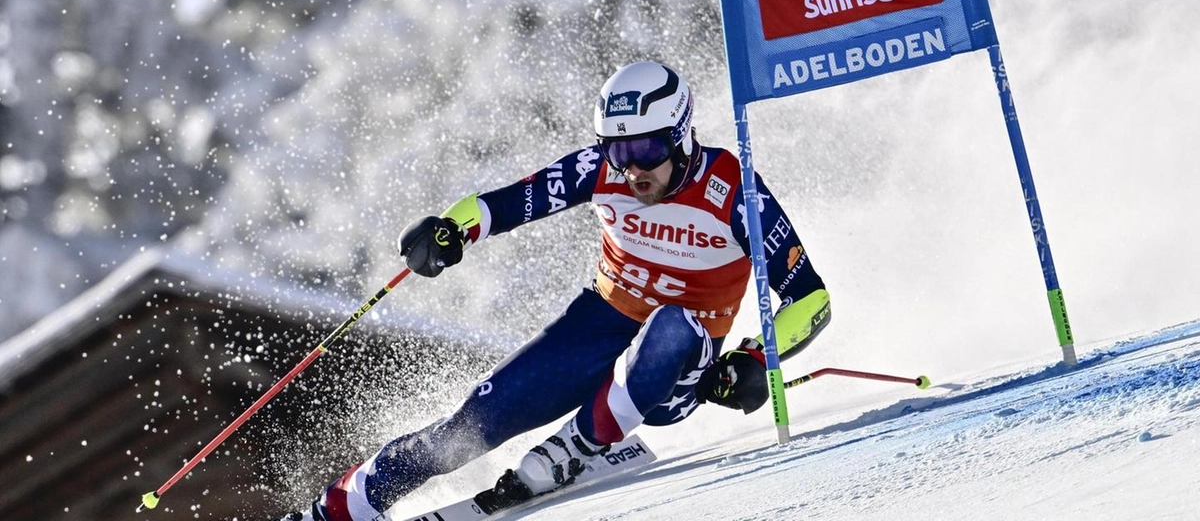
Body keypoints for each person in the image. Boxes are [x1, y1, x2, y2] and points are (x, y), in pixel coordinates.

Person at [284, 61, 832, 521]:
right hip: (598, 327)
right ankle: (332, 511)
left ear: (682, 135)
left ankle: (581, 447)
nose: (633, 168)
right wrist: (449, 232)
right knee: (467, 429)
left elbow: (810, 298)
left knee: (673, 324)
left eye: (646, 148)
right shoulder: (603, 170)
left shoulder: (733, 188)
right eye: (618, 149)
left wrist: (756, 358)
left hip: (678, 366)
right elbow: (504, 204)